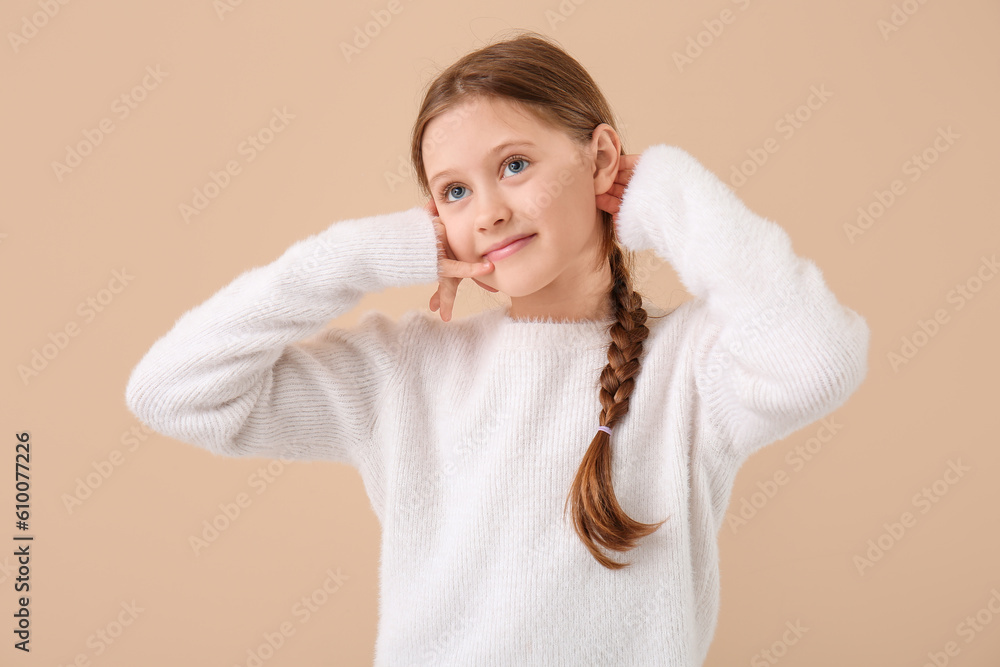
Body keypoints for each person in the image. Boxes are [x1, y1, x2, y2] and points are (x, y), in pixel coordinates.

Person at [125, 31, 870, 666]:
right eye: (453, 192)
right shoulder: (405, 370)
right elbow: (172, 391)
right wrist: (359, 255)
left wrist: (667, 192)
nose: (487, 212)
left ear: (602, 159)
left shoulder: (693, 366)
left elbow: (818, 360)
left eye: (514, 165)